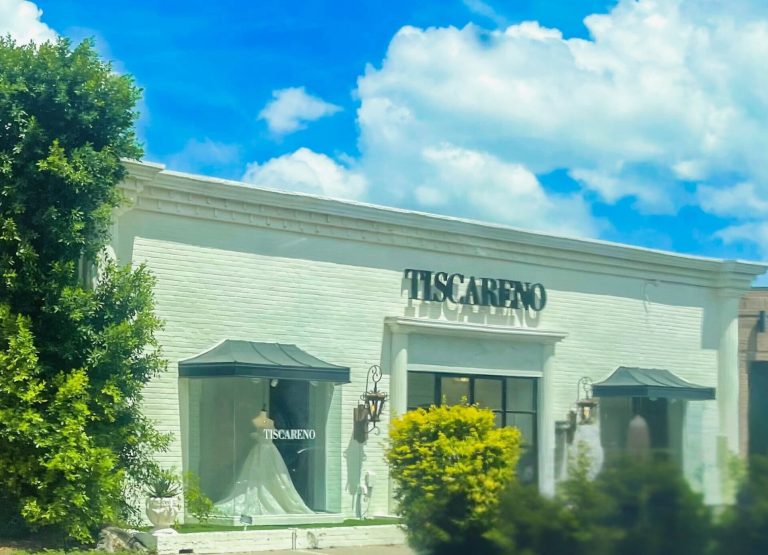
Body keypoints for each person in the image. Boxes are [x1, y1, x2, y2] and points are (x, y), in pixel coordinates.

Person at [214, 408, 313, 516]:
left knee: (275, 477)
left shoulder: (270, 422)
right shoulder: (256, 421)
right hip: (260, 452)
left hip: (271, 452)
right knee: (256, 475)